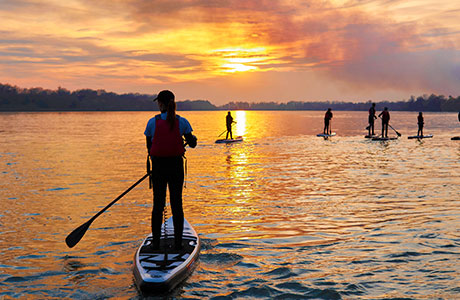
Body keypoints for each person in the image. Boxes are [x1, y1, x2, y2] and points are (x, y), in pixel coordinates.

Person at [144, 90, 197, 250]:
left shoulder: (152, 122)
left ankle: (156, 244)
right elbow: (192, 144)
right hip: (175, 167)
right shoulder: (183, 122)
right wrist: (191, 139)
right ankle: (179, 244)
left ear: (161, 104)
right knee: (177, 204)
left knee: (158, 206)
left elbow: (149, 147)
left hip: (159, 168)